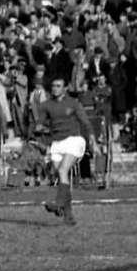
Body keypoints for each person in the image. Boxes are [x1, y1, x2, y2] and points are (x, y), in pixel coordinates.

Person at [32, 76, 90, 225]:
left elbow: (85, 121)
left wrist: (93, 141)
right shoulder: (46, 105)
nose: (55, 88)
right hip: (57, 143)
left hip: (73, 140)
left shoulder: (73, 103)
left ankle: (58, 204)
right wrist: (39, 127)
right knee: (61, 176)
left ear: (65, 88)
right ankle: (68, 216)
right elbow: (40, 123)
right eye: (53, 86)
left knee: (63, 170)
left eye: (58, 86)